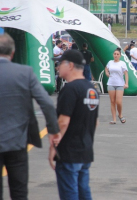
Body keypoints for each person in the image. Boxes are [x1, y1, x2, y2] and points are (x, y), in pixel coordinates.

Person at [0, 34, 60, 199]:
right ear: (12, 53)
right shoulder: (25, 73)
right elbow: (47, 103)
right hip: (17, 142)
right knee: (19, 192)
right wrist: (53, 131)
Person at [50, 49, 99, 200]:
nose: (57, 68)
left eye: (59, 64)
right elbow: (95, 122)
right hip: (85, 150)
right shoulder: (92, 89)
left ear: (70, 65)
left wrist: (53, 147)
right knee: (84, 191)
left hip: (69, 152)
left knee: (70, 193)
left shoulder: (70, 89)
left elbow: (63, 122)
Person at [105, 48, 129, 124]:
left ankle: (120, 115)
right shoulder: (110, 62)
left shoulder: (122, 63)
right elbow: (106, 68)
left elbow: (126, 73)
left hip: (120, 84)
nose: (116, 55)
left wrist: (126, 83)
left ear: (120, 55)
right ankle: (114, 119)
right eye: (115, 54)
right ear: (113, 55)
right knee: (112, 101)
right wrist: (107, 73)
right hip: (111, 83)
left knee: (118, 102)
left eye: (117, 54)